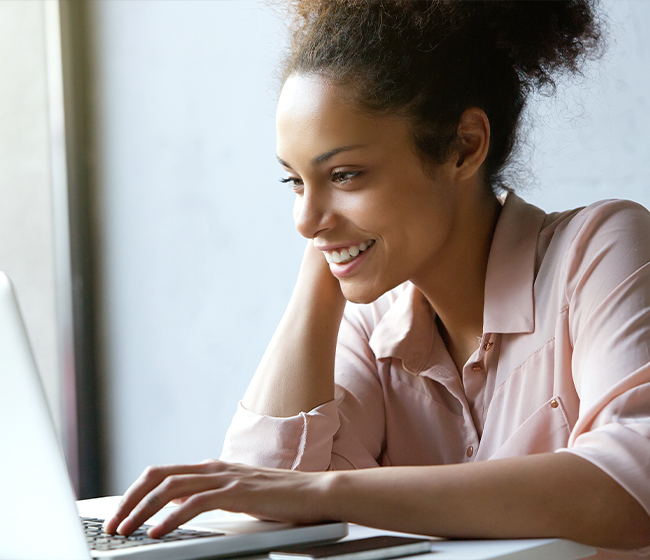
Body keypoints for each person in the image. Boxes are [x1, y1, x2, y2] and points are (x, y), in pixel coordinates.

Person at [104, 1, 650, 557]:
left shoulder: (599, 247)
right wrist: (329, 251)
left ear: (465, 147)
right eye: (294, 182)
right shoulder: (371, 325)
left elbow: (631, 489)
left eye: (345, 174)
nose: (302, 219)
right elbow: (260, 498)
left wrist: (329, 491)